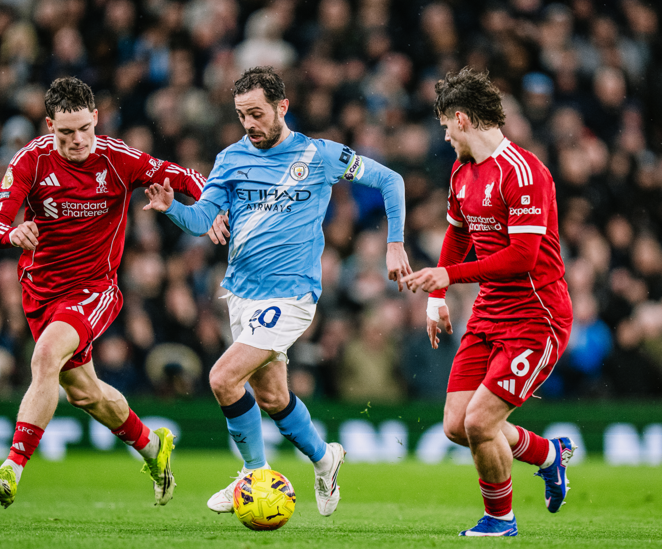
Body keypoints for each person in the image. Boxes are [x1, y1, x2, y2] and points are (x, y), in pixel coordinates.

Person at [143, 66, 411, 516]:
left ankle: (252, 475)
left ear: (282, 107)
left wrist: (395, 243)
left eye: (257, 113)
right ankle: (326, 460)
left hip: (290, 297)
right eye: (241, 115)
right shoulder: (230, 159)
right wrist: (172, 208)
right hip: (242, 294)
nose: (249, 123)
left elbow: (391, 181)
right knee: (271, 397)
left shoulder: (320, 154)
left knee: (223, 379)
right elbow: (201, 221)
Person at [0, 77, 207, 508]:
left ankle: (12, 469)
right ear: (49, 126)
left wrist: (209, 211)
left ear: (96, 119)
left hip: (93, 289)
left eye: (85, 128)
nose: (78, 139)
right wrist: (13, 232)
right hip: (41, 293)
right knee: (84, 393)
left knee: (45, 357)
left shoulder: (119, 159)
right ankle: (154, 450)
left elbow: (188, 176)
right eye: (66, 132)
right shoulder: (31, 161)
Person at [401, 68, 575, 537]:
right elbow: (458, 235)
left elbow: (523, 257)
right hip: (488, 313)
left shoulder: (524, 173)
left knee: (481, 421)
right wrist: (438, 296)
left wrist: (448, 276)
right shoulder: (461, 172)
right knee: (457, 426)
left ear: (461, 119)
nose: (443, 135)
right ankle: (548, 454)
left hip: (536, 318)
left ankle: (500, 521)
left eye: (444, 125)